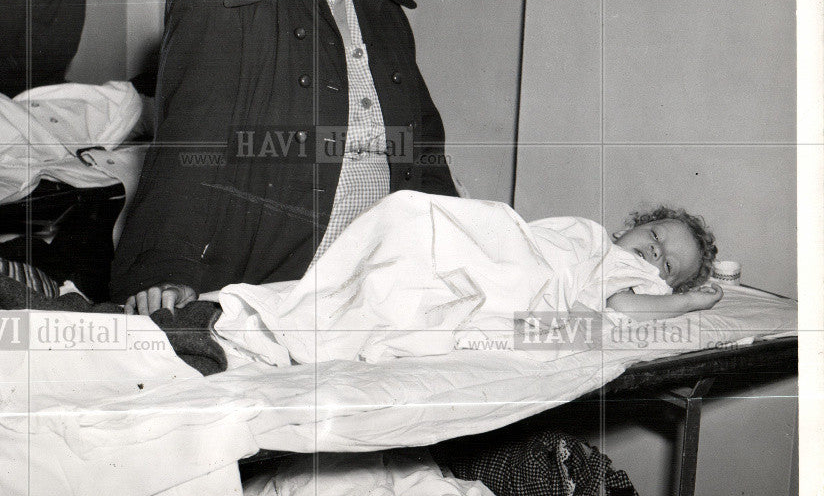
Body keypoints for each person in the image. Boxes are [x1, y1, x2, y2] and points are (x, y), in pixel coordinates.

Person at [111, 0, 457, 313]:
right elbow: (189, 151)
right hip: (281, 286)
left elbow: (426, 157)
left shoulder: (386, 17)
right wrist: (164, 272)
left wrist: (459, 254)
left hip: (383, 282)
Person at [212, 192, 723, 366]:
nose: (654, 251)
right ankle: (317, 315)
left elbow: (623, 307)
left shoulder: (637, 277)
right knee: (413, 223)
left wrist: (687, 305)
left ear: (664, 283)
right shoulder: (589, 236)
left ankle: (305, 324)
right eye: (655, 234)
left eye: (667, 263)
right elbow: (522, 239)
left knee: (419, 245)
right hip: (511, 248)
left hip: (527, 287)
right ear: (635, 224)